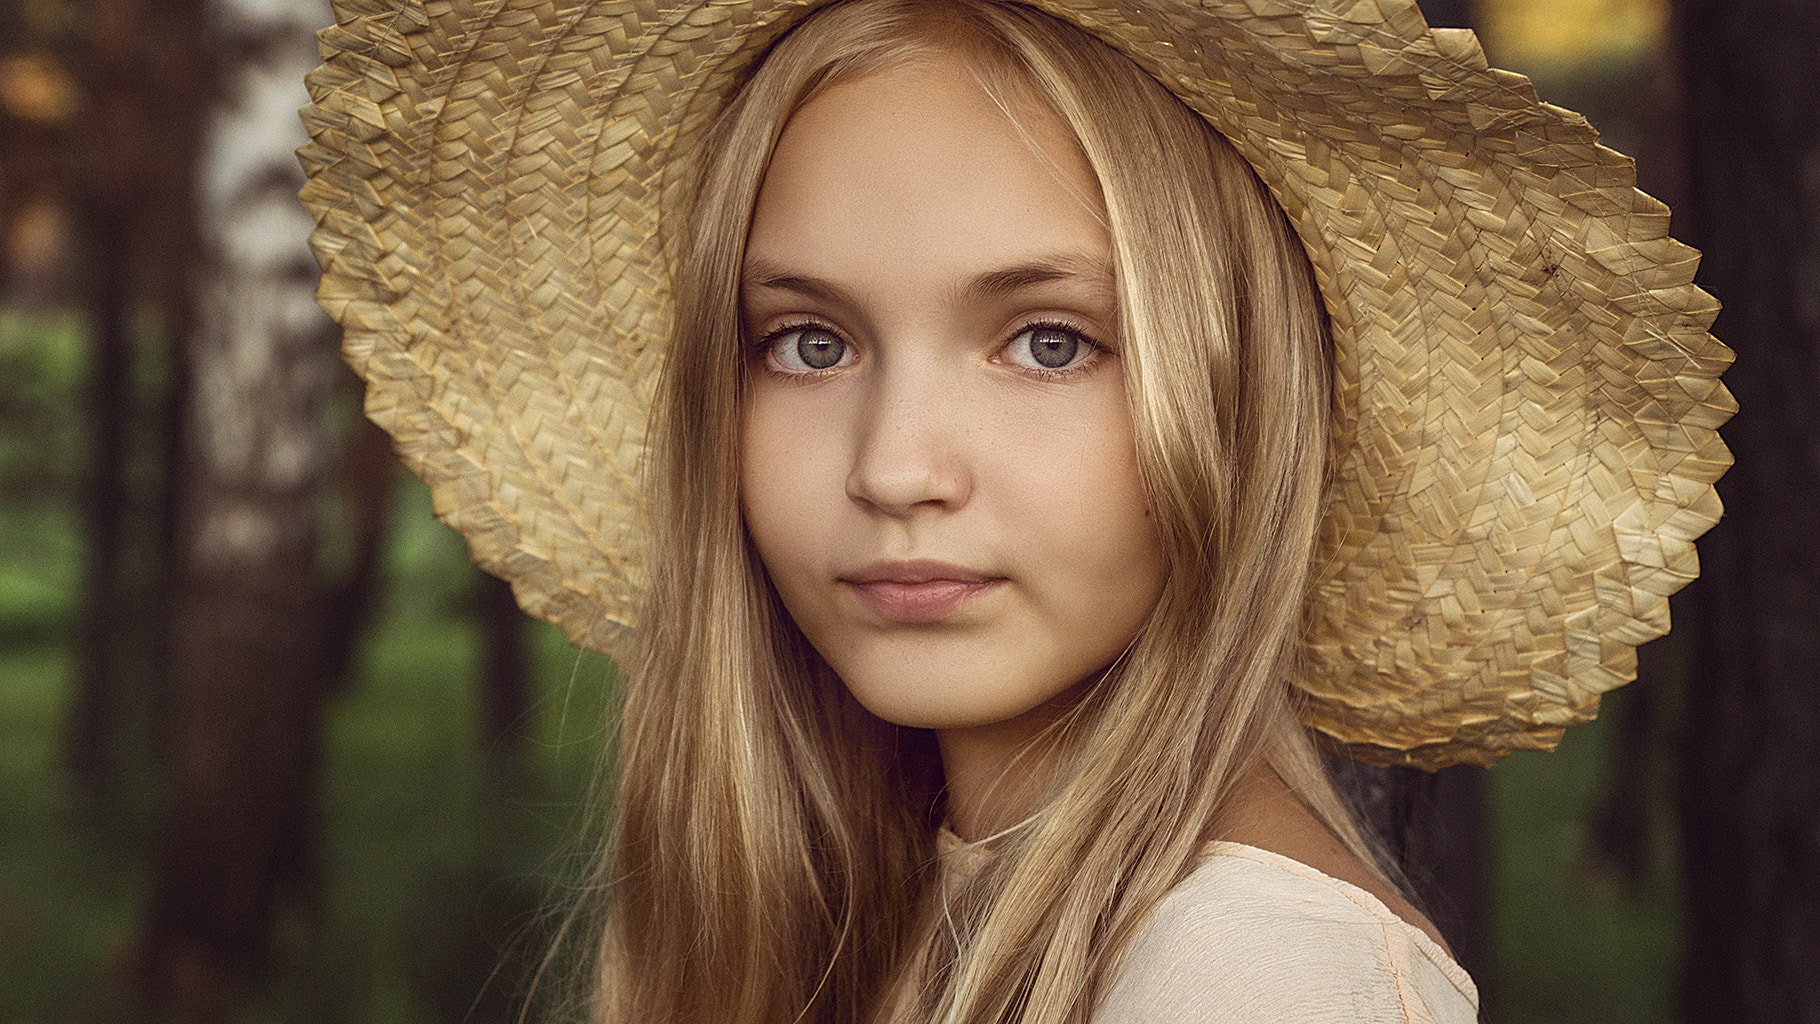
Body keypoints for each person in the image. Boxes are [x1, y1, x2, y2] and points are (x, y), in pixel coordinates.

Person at [299, 0, 1734, 1021]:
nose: (896, 467)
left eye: (1048, 341)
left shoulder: (1254, 977)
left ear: (1241, 405)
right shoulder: (889, 906)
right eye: (808, 342)